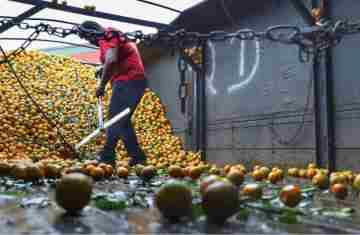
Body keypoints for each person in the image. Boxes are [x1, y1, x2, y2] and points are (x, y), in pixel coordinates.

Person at [79, 21, 147, 166]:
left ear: (92, 33)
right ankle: (138, 157)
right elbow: (114, 59)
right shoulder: (109, 37)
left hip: (129, 80)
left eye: (87, 38)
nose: (89, 42)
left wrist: (102, 85)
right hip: (129, 81)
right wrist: (102, 68)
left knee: (115, 118)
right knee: (122, 121)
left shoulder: (107, 36)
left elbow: (111, 60)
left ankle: (107, 155)